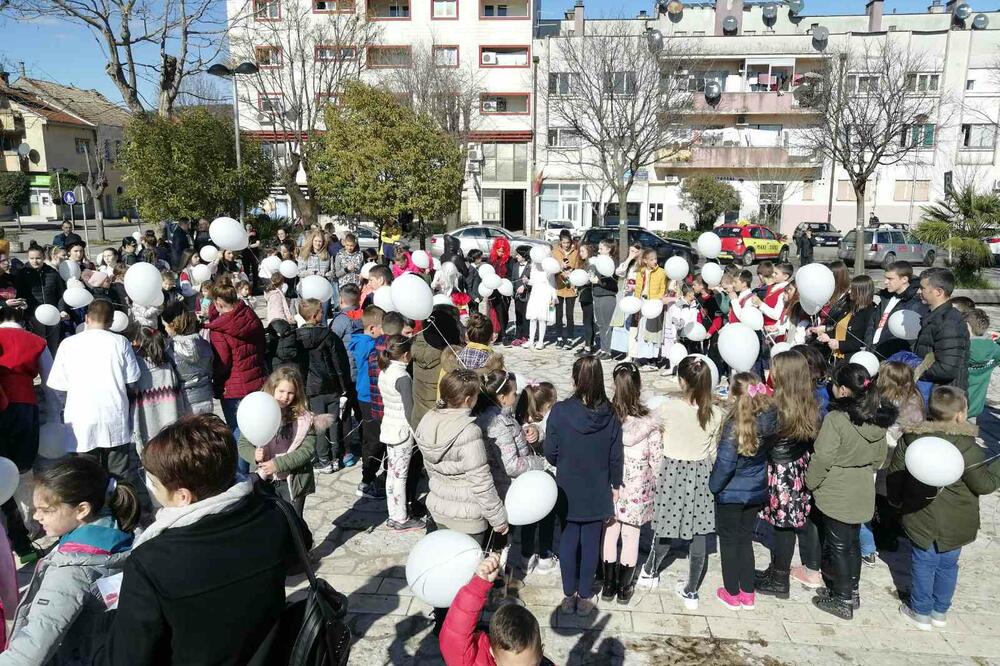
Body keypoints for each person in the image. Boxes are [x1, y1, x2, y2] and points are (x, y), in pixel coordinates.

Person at [100, 414, 311, 664]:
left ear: (183, 496)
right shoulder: (273, 516)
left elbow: (127, 657)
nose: (150, 488)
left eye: (152, 481)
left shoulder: (151, 561)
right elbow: (302, 545)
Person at [1, 457, 138, 665]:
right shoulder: (122, 532)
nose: (37, 517)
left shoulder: (69, 573)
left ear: (82, 510)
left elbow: (31, 648)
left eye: (46, 510)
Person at [889, 387, 1000, 630]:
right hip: (957, 520)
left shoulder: (912, 439)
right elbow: (985, 485)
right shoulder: (969, 448)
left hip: (920, 516)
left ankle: (920, 611)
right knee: (949, 565)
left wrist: (895, 503)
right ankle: (940, 611)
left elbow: (895, 476)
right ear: (960, 415)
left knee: (923, 562)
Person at [415, 369, 509, 628]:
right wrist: (498, 518)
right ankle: (462, 629)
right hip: (467, 515)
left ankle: (441, 621)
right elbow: (481, 481)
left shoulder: (426, 420)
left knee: (441, 571)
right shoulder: (469, 432)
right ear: (468, 399)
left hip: (438, 506)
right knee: (468, 578)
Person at [806, 363, 896, 620]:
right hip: (862, 487)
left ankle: (842, 598)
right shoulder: (877, 420)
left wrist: (811, 482)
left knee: (838, 545)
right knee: (852, 543)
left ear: (843, 390)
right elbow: (880, 457)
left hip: (837, 489)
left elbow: (822, 457)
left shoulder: (836, 420)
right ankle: (851, 591)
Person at [638, 356, 723, 609]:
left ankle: (650, 571)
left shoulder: (667, 408)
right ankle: (691, 590)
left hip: (672, 471)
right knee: (699, 533)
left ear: (682, 381)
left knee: (665, 525)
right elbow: (713, 451)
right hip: (702, 473)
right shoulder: (716, 414)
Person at [544, 356, 623, 616]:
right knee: (591, 544)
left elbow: (551, 453)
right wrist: (615, 482)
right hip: (597, 487)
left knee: (567, 541)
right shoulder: (610, 414)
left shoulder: (560, 411)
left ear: (575, 379)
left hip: (567, 486)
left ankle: (569, 595)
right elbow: (615, 454)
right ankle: (586, 595)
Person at [755, 352, 823, 598]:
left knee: (783, 524)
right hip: (797, 465)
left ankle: (780, 578)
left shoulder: (779, 407)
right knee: (787, 521)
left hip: (781, 469)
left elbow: (764, 438)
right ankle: (775, 569)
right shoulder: (809, 402)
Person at [47, 300, 142, 475]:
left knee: (85, 475)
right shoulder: (120, 342)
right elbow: (132, 381)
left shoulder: (68, 344)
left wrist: (67, 405)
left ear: (86, 319)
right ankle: (119, 501)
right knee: (118, 473)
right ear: (112, 322)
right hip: (114, 414)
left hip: (80, 417)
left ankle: (92, 502)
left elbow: (58, 386)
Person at [709, 372, 773, 610]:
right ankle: (748, 592)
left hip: (731, 492)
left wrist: (713, 486)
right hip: (755, 489)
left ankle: (732, 592)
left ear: (735, 396)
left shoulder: (733, 425)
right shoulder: (769, 419)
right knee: (745, 540)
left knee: (728, 541)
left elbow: (725, 463)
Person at [601, 363, 660, 604]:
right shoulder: (650, 423)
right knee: (631, 536)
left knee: (610, 531)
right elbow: (657, 460)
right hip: (637, 489)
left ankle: (607, 585)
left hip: (610, 486)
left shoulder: (606, 416)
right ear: (638, 386)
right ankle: (624, 588)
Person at [0, 305, 53, 564]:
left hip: (2, 404)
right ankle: (28, 524)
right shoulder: (36, 341)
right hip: (25, 405)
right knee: (23, 469)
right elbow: (50, 381)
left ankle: (12, 530)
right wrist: (55, 416)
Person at [277, 298, 353, 475]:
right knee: (332, 422)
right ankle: (334, 457)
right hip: (332, 386)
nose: (323, 314)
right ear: (314, 315)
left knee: (318, 423)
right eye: (320, 312)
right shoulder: (329, 335)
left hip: (311, 388)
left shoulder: (297, 337)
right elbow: (340, 363)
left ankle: (324, 459)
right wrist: (344, 386)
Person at [439, 553, 553, 666]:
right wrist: (478, 585)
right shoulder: (474, 661)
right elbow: (454, 638)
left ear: (540, 653)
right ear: (492, 653)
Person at [237, 367, 322, 516]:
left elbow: (306, 451)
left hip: (293, 482)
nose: (285, 397)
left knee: (294, 521)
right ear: (272, 388)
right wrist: (254, 455)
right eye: (281, 391)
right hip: (265, 479)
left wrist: (278, 464)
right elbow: (243, 444)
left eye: (290, 393)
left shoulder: (305, 419)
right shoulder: (259, 413)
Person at [203, 281, 268, 453]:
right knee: (258, 429)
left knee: (238, 430)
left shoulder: (219, 331)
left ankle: (242, 472)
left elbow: (222, 362)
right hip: (257, 380)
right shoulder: (250, 316)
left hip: (233, 387)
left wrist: (216, 383)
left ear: (218, 303)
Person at [475, 370, 546, 509]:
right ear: (502, 398)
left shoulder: (502, 415)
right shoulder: (498, 425)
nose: (516, 396)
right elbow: (511, 466)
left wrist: (534, 431)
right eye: (514, 393)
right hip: (509, 490)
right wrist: (539, 462)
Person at [378, 335, 423, 531]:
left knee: (392, 474)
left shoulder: (384, 370)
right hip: (402, 431)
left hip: (389, 425)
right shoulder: (403, 378)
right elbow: (408, 409)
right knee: (401, 476)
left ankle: (393, 513)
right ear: (406, 355)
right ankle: (401, 518)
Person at [514, 381, 559, 575]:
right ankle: (545, 558)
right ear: (548, 404)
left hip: (527, 477)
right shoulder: (552, 420)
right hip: (547, 476)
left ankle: (526, 557)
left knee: (529, 518)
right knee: (547, 518)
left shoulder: (520, 418)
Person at [129, 326, 189, 455]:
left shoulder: (136, 369)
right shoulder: (168, 367)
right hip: (170, 432)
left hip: (147, 432)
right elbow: (178, 399)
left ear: (138, 343)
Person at [349, 306, 386, 499]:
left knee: (369, 437)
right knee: (374, 440)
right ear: (372, 329)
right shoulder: (370, 346)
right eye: (383, 328)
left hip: (365, 396)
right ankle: (367, 481)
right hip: (370, 396)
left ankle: (370, 475)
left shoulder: (360, 341)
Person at [914, 269, 969, 391]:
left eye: (923, 288)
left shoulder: (949, 322)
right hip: (930, 392)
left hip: (944, 397)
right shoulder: (933, 316)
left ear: (939, 292)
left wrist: (913, 371)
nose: (919, 292)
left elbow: (947, 369)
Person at [864, 261, 927, 357]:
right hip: (873, 352)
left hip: (893, 358)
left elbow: (907, 335)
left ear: (904, 279)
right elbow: (872, 323)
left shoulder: (915, 304)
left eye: (890, 279)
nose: (885, 282)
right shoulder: (886, 297)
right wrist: (869, 345)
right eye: (885, 278)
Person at [162, 303, 215, 415]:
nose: (165, 329)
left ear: (172, 325)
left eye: (165, 325)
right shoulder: (204, 343)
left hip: (184, 399)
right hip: (206, 395)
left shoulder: (170, 349)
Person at [16, 245, 65, 353]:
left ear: (43, 257)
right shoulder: (23, 273)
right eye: (31, 258)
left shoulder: (52, 273)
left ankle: (52, 367)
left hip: (53, 314)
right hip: (35, 315)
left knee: (53, 344)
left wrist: (61, 310)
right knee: (39, 345)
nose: (35, 261)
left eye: (38, 258)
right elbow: (20, 295)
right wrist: (27, 311)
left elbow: (61, 294)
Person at [817, 275, 878, 360]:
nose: (849, 292)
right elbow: (838, 328)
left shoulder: (870, 312)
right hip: (835, 355)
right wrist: (828, 336)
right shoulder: (849, 306)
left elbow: (864, 341)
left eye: (852, 290)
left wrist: (840, 345)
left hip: (851, 358)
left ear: (861, 292)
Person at [631, 249, 666, 366]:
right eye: (651, 259)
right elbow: (638, 288)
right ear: (645, 261)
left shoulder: (661, 272)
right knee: (642, 331)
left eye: (655, 259)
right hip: (643, 303)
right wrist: (636, 301)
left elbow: (662, 288)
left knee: (653, 331)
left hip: (654, 305)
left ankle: (653, 357)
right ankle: (641, 356)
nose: (654, 261)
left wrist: (657, 300)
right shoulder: (641, 272)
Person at [964, 309, 1000, 421]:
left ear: (967, 327)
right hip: (975, 407)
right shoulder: (995, 350)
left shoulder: (961, 350)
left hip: (952, 406)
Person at [551, 230, 581, 349]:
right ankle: (559, 338)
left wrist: (572, 273)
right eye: (564, 243)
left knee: (569, 314)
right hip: (558, 287)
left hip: (570, 287)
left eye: (568, 242)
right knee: (558, 314)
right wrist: (559, 267)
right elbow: (551, 268)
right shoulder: (555, 253)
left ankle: (569, 338)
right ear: (560, 242)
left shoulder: (576, 253)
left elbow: (578, 268)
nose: (566, 245)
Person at [592, 240, 619, 360]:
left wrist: (598, 281)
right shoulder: (599, 262)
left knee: (607, 324)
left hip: (607, 296)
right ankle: (603, 348)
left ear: (608, 249)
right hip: (597, 294)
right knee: (601, 324)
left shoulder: (613, 263)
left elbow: (613, 283)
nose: (598, 251)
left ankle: (608, 350)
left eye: (601, 249)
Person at [524, 250, 556, 350]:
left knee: (542, 318)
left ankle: (541, 341)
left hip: (545, 294)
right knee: (533, 317)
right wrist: (527, 281)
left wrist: (554, 297)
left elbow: (552, 284)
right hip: (535, 293)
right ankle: (531, 340)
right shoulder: (533, 267)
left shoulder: (549, 269)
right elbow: (533, 281)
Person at [487, 237, 515, 346]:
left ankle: (502, 333)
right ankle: (502, 335)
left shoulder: (510, 260)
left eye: (503, 251)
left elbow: (511, 274)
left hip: (505, 290)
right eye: (499, 250)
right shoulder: (491, 260)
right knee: (496, 312)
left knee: (504, 313)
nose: (500, 253)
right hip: (493, 290)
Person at [509, 246, 532, 346]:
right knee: (518, 315)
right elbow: (513, 279)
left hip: (527, 296)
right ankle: (518, 335)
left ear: (524, 256)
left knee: (526, 316)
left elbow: (533, 280)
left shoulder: (531, 266)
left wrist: (525, 287)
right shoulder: (515, 265)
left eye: (518, 254)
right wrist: (514, 291)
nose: (516, 256)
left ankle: (526, 335)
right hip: (517, 296)